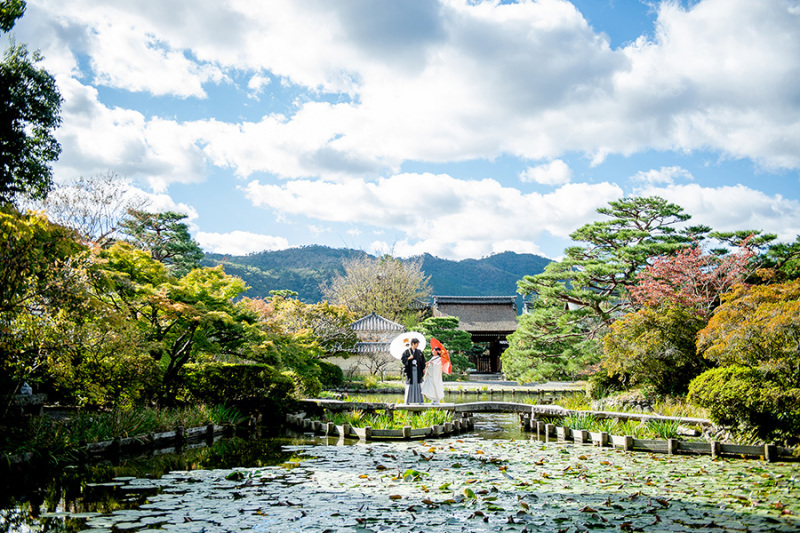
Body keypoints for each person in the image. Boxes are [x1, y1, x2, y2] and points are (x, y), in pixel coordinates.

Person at [401, 338, 425, 404]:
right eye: (416, 344)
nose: (417, 345)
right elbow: (403, 359)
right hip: (410, 371)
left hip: (417, 371)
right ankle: (407, 401)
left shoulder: (419, 352)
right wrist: (408, 358)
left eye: (418, 344)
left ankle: (420, 401)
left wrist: (423, 368)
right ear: (412, 344)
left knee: (418, 385)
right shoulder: (407, 352)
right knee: (409, 385)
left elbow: (423, 361)